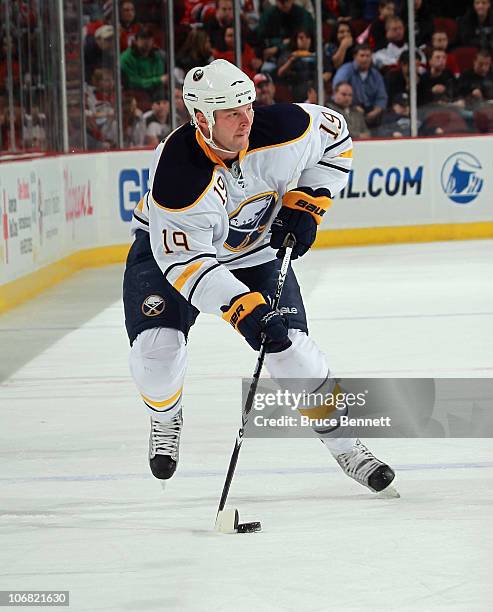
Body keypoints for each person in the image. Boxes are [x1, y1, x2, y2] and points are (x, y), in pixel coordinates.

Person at [122, 59, 396, 494]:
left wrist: (308, 202)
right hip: (171, 257)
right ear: (200, 118)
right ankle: (165, 415)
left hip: (256, 253)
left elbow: (337, 138)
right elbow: (189, 265)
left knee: (294, 350)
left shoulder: (284, 126)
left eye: (247, 105)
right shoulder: (177, 172)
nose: (245, 118)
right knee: (157, 356)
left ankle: (348, 447)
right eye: (231, 112)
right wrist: (243, 310)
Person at [333, 43, 388, 126]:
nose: (365, 59)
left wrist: (376, 111)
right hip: (350, 109)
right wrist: (353, 107)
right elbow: (338, 90)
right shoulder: (346, 70)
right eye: (362, 56)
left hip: (372, 111)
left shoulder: (376, 75)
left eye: (368, 56)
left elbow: (382, 97)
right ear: (355, 56)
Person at [120, 26, 166, 99]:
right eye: (143, 39)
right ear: (135, 41)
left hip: (158, 93)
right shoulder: (126, 58)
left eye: (149, 39)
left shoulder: (159, 55)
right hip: (136, 95)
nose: (146, 42)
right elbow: (133, 82)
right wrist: (158, 80)